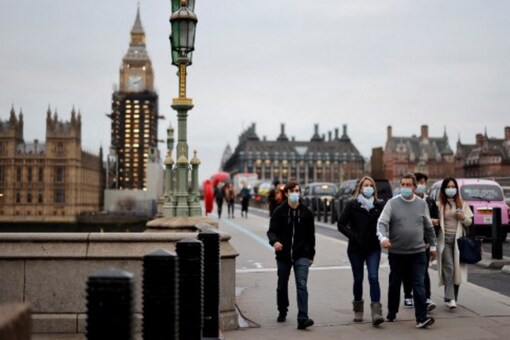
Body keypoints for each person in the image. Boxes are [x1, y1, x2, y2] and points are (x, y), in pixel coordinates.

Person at [377, 173, 437, 328]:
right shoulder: (392, 203)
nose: (405, 188)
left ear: (414, 187)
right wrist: (383, 238)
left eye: (408, 185)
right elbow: (381, 223)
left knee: (419, 283)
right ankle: (392, 312)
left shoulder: (422, 204)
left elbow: (429, 228)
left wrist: (433, 246)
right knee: (395, 283)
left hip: (417, 252)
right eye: (403, 184)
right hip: (397, 252)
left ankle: (421, 317)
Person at [267, 181, 316, 330]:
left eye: (297, 191)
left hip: (301, 254)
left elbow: (311, 236)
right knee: (282, 284)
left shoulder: (306, 212)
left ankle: (303, 317)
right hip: (283, 255)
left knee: (301, 284)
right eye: (293, 191)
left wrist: (311, 255)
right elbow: (271, 231)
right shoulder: (279, 211)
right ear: (287, 193)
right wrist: (275, 242)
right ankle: (282, 309)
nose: (296, 193)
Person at [337, 176, 385, 326]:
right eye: (366, 185)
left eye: (371, 185)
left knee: (373, 277)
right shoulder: (352, 204)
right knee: (358, 278)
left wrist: (382, 237)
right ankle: (358, 309)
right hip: (356, 249)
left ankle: (376, 312)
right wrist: (354, 236)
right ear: (360, 188)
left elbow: (384, 224)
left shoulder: (379, 205)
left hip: (373, 248)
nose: (368, 188)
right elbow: (341, 224)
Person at [402, 173, 439, 312]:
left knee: (423, 271)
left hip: (425, 243)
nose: (421, 185)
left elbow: (433, 222)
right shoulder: (407, 200)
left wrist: (431, 242)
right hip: (409, 242)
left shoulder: (429, 201)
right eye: (419, 182)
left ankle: (426, 298)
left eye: (423, 182)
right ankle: (408, 295)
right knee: (408, 270)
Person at [436, 177, 473, 309]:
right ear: (444, 189)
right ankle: (450, 298)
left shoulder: (462, 203)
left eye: (453, 187)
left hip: (458, 240)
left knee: (457, 271)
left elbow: (469, 221)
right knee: (449, 267)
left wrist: (462, 217)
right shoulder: (439, 204)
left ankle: (451, 297)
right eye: (448, 187)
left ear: (456, 189)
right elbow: (435, 221)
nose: (451, 189)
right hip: (444, 240)